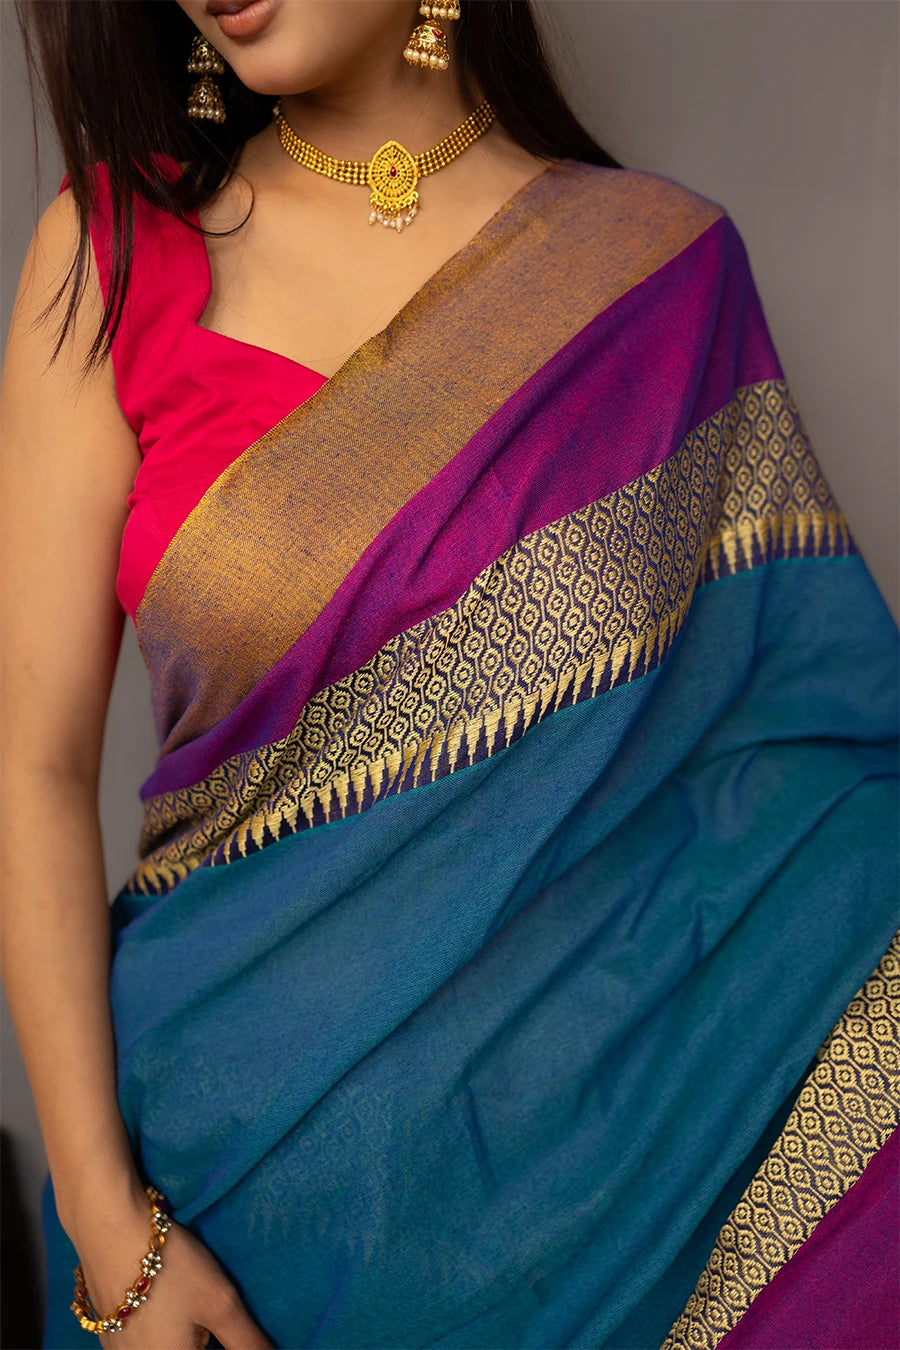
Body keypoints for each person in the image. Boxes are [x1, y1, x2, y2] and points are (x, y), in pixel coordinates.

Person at [2, 0, 897, 1347]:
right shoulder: (112, 255)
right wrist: (107, 1223)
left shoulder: (659, 273)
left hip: (645, 1181)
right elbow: (33, 764)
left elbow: (787, 754)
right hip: (246, 1218)